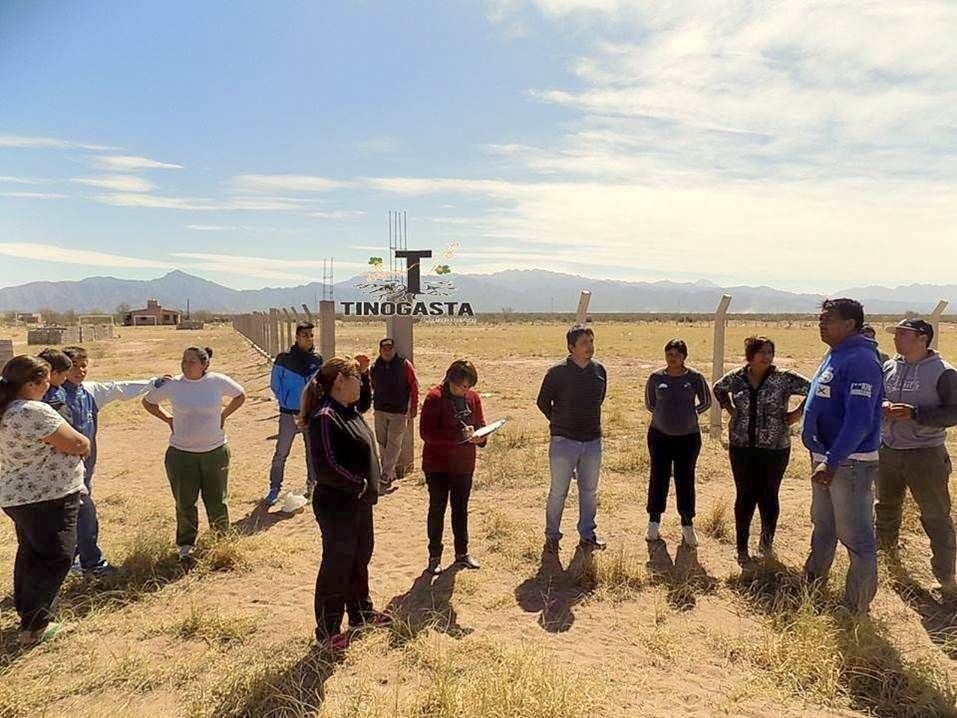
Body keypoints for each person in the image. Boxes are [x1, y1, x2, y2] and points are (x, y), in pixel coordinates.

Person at [0, 356, 90, 647]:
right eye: (45, 381)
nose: (49, 386)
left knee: (31, 554)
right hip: (49, 495)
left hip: (17, 496)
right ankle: (36, 627)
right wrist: (85, 446)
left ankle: (28, 615)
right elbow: (77, 443)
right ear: (31, 384)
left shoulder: (5, 409)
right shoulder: (32, 411)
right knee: (56, 557)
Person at [304, 354, 390, 650]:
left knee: (359, 558)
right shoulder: (325, 417)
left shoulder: (348, 409)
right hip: (338, 504)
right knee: (337, 565)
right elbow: (326, 466)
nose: (361, 385)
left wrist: (363, 373)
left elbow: (364, 400)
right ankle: (328, 630)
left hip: (358, 503)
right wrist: (359, 484)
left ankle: (360, 613)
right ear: (340, 381)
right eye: (356, 379)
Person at [802, 298, 884, 614]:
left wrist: (832, 460)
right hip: (827, 458)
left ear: (850, 324)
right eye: (820, 318)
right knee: (823, 525)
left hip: (848, 463)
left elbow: (859, 421)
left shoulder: (861, 360)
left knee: (857, 537)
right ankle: (812, 584)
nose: (821, 324)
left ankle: (855, 606)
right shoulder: (836, 353)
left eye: (829, 319)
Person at [60, 345, 170, 577]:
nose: (80, 371)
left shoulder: (89, 391)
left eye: (83, 365)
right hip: (62, 467)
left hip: (86, 463)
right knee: (81, 512)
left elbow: (119, 388)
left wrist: (152, 383)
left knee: (77, 511)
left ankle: (75, 560)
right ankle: (90, 563)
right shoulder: (53, 396)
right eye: (74, 366)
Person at [876, 318, 957, 598]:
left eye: (903, 334)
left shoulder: (943, 372)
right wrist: (883, 406)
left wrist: (916, 414)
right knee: (885, 508)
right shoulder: (889, 367)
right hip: (888, 449)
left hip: (926, 455)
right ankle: (887, 563)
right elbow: (877, 397)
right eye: (896, 333)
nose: (896, 338)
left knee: (935, 515)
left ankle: (946, 578)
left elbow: (954, 412)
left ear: (923, 338)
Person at [713, 336, 810, 565]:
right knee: (745, 495)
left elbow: (814, 388)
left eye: (770, 352)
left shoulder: (784, 378)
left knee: (769, 495)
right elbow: (718, 388)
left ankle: (766, 545)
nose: (767, 357)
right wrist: (730, 409)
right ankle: (741, 548)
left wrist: (797, 414)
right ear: (750, 355)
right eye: (761, 352)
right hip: (741, 446)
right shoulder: (736, 377)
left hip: (775, 447)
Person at [142, 347, 246, 560]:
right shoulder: (174, 385)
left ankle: (220, 540)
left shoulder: (217, 381)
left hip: (215, 452)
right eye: (184, 360)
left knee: (217, 500)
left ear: (204, 365)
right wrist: (168, 419)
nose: (186, 365)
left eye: (191, 361)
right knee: (185, 502)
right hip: (182, 454)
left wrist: (224, 415)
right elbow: (148, 402)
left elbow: (240, 395)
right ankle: (186, 544)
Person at [537, 325, 608, 554]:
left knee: (589, 491)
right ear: (571, 347)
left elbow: (599, 399)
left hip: (592, 441)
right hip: (563, 442)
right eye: (584, 343)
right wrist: (559, 421)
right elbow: (542, 402)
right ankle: (552, 536)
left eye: (591, 341)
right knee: (558, 491)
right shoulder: (557, 372)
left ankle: (587, 534)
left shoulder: (599, 371)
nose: (590, 346)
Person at [420, 359, 487, 574]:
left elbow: (481, 425)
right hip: (437, 466)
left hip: (464, 465)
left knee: (460, 510)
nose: (465, 390)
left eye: (468, 386)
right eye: (461, 386)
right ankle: (434, 556)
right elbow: (427, 433)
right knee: (437, 509)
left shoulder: (473, 398)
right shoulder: (435, 398)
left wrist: (481, 438)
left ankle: (462, 553)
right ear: (451, 379)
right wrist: (458, 436)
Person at [644, 339, 712, 547]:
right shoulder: (656, 378)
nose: (672, 358)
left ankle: (687, 523)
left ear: (684, 357)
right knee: (658, 477)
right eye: (669, 354)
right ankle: (654, 521)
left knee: (685, 479)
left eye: (677, 355)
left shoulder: (695, 378)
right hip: (659, 436)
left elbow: (706, 402)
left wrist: (690, 414)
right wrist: (665, 416)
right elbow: (650, 404)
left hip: (688, 438)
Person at [265, 321, 322, 505]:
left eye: (311, 335)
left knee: (312, 452)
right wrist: (287, 403)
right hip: (288, 413)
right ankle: (274, 488)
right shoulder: (284, 359)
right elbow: (275, 384)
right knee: (281, 452)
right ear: (297, 337)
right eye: (305, 335)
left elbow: (320, 385)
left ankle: (312, 487)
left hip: (310, 414)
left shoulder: (317, 360)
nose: (309, 339)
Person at [371, 337, 420, 490]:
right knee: (382, 442)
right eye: (384, 349)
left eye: (390, 349)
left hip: (399, 412)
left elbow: (414, 386)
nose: (387, 352)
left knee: (394, 443)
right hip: (380, 410)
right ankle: (389, 472)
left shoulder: (404, 365)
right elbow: (372, 386)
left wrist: (414, 406)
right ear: (380, 351)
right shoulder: (375, 366)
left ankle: (385, 474)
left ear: (394, 350)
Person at [38, 348, 73, 422]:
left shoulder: (60, 389)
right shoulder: (41, 393)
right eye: (65, 375)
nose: (66, 378)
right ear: (54, 374)